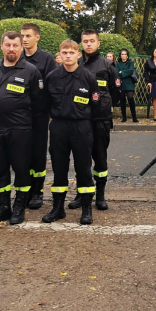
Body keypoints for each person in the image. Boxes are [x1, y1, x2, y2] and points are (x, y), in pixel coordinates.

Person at [0, 31, 43, 225]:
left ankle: (19, 206)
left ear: (21, 47)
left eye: (15, 45)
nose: (11, 49)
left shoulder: (31, 70)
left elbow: (38, 103)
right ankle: (3, 207)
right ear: (1, 46)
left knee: (21, 169)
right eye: (8, 45)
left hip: (21, 129)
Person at [43, 40, 100, 225]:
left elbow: (96, 104)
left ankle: (86, 208)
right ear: (59, 54)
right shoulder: (52, 77)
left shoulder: (88, 77)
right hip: (58, 126)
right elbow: (45, 103)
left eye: (71, 52)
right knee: (59, 167)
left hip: (81, 127)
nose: (68, 56)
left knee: (83, 168)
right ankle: (58, 208)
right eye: (64, 52)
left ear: (78, 54)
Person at [67, 30, 120, 212]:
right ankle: (81, 195)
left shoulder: (107, 65)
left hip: (100, 120)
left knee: (100, 159)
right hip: (81, 120)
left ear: (98, 43)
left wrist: (103, 106)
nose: (88, 44)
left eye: (92, 41)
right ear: (81, 44)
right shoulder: (77, 64)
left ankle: (101, 195)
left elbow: (115, 92)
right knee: (81, 160)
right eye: (85, 41)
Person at [21, 23, 57, 210]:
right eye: (22, 36)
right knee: (22, 153)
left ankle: (37, 191)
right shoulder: (17, 58)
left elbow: (52, 87)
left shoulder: (46, 59)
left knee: (37, 153)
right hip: (19, 116)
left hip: (39, 115)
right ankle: (24, 190)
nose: (24, 39)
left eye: (28, 36)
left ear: (37, 37)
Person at [116, 48, 138, 123]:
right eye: (122, 54)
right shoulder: (118, 63)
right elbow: (117, 73)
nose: (123, 56)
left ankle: (134, 117)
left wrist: (122, 72)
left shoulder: (130, 62)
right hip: (121, 84)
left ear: (127, 55)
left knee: (131, 99)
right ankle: (124, 117)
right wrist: (125, 73)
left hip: (129, 83)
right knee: (122, 101)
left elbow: (131, 71)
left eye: (125, 54)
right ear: (120, 55)